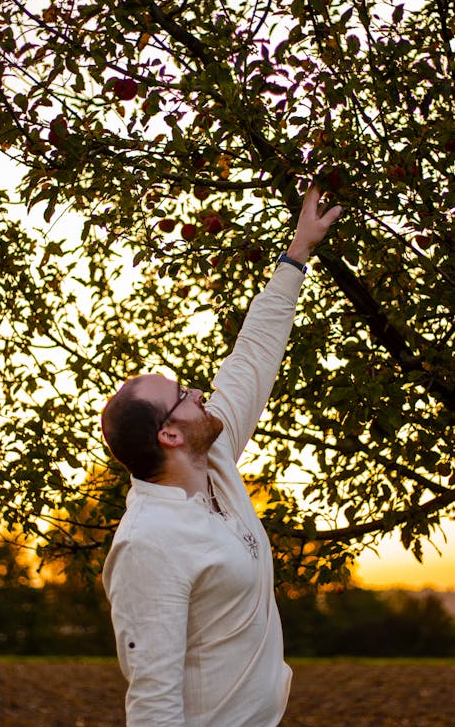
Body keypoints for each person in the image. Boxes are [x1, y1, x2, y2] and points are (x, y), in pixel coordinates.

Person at [101, 186, 342, 727]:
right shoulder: (148, 544)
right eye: (183, 396)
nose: (198, 395)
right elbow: (153, 702)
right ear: (169, 436)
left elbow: (252, 356)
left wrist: (298, 252)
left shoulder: (215, 461)